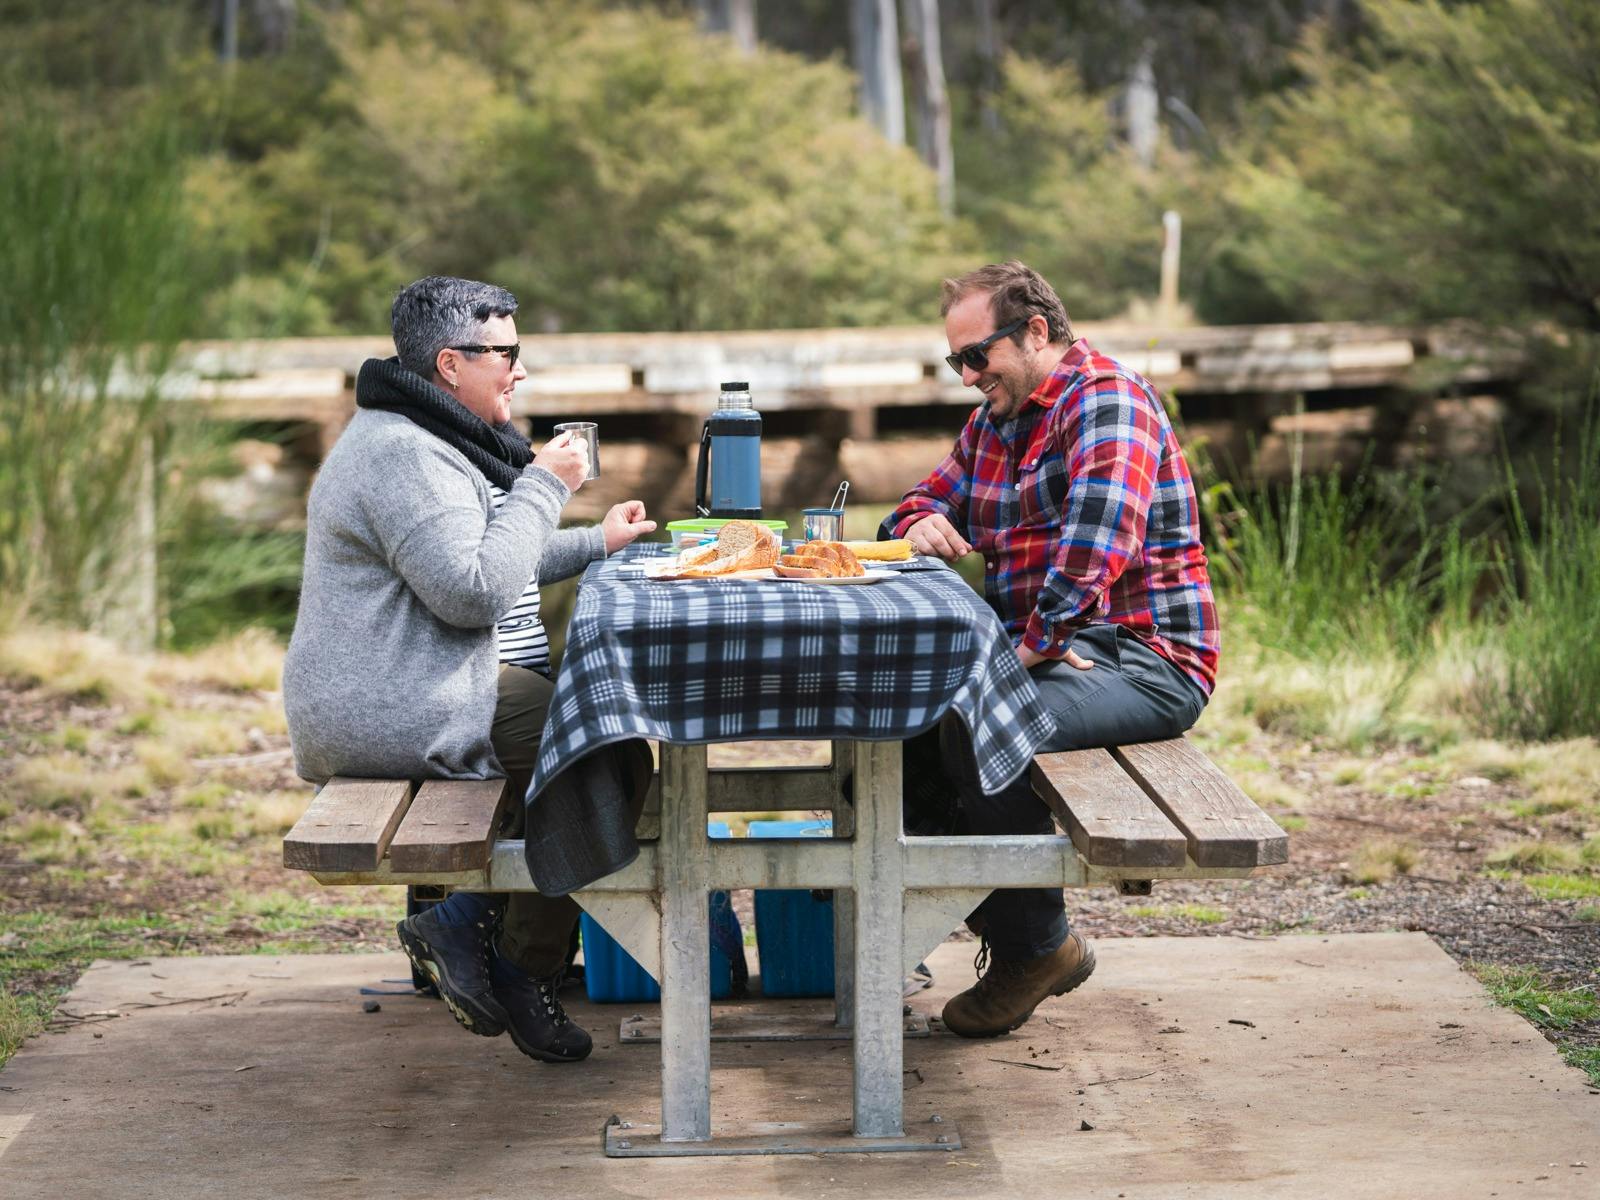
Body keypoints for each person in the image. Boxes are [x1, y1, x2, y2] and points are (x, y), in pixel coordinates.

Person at [283, 275, 656, 1064]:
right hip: (389, 702)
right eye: (507, 353)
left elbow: (484, 557)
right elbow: (473, 593)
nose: (520, 370)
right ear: (451, 365)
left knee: (598, 740)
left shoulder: (428, 435)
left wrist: (595, 543)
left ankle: (478, 936)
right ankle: (512, 957)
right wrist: (546, 487)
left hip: (420, 682)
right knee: (597, 743)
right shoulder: (402, 454)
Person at [883, 261, 1220, 1038]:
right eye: (955, 361)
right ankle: (894, 934)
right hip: (1051, 649)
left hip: (1144, 658)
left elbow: (1094, 553)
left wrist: (1023, 654)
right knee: (895, 728)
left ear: (1037, 331)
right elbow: (918, 499)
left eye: (978, 356)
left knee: (979, 721)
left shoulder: (1107, 401)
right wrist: (915, 526)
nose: (969, 376)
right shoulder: (997, 420)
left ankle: (1036, 949)